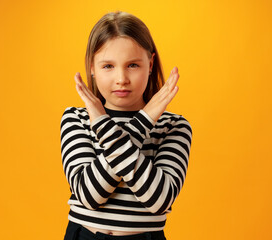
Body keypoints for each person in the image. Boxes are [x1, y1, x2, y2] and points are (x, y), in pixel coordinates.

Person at [60, 11, 192, 240]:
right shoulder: (75, 119)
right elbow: (89, 196)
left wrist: (146, 118)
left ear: (150, 64)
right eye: (108, 66)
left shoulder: (174, 126)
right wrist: (145, 119)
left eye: (132, 65)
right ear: (92, 66)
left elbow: (158, 201)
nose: (121, 78)